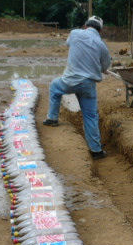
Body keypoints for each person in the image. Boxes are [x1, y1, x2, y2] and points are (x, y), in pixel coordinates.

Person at [44, 16, 111, 159]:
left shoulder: (75, 33)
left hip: (69, 81)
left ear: (85, 25)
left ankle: (52, 118)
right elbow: (105, 66)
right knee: (91, 116)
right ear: (100, 30)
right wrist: (100, 67)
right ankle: (96, 151)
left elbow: (69, 44)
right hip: (88, 85)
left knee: (55, 87)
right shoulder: (101, 45)